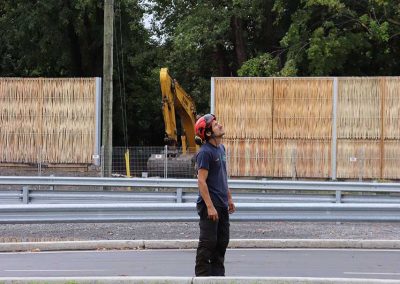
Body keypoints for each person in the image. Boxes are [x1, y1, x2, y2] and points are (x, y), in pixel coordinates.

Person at [194, 113, 235, 277]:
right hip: (210, 205)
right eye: (216, 125)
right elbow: (201, 181)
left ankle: (218, 279)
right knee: (208, 243)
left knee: (222, 242)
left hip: (222, 203)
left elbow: (222, 176)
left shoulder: (221, 148)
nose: (220, 125)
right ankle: (202, 279)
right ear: (209, 133)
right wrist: (210, 207)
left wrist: (229, 198)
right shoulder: (205, 152)